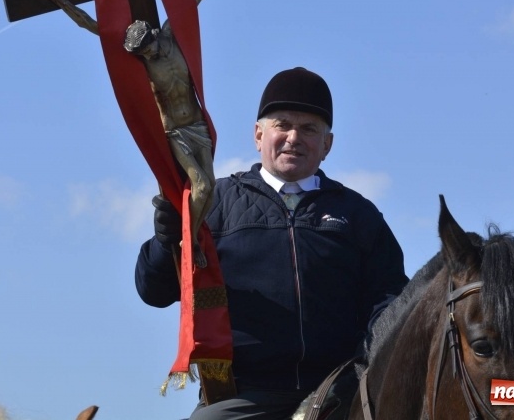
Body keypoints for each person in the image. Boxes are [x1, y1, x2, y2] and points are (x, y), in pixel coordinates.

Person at [135, 67, 409, 420]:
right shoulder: (211, 203)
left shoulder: (358, 214)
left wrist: (363, 367)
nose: (294, 137)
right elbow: (153, 291)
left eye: (309, 128)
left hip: (340, 391)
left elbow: (389, 301)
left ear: (327, 144)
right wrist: (167, 237)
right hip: (244, 393)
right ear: (258, 135)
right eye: (282, 125)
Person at [36, 0, 232, 267]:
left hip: (197, 123)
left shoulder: (171, 36)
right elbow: (91, 25)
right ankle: (191, 242)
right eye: (139, 53)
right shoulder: (142, 64)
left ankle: (193, 235)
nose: (144, 56)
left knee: (210, 190)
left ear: (154, 39)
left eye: (146, 50)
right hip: (177, 133)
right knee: (200, 188)